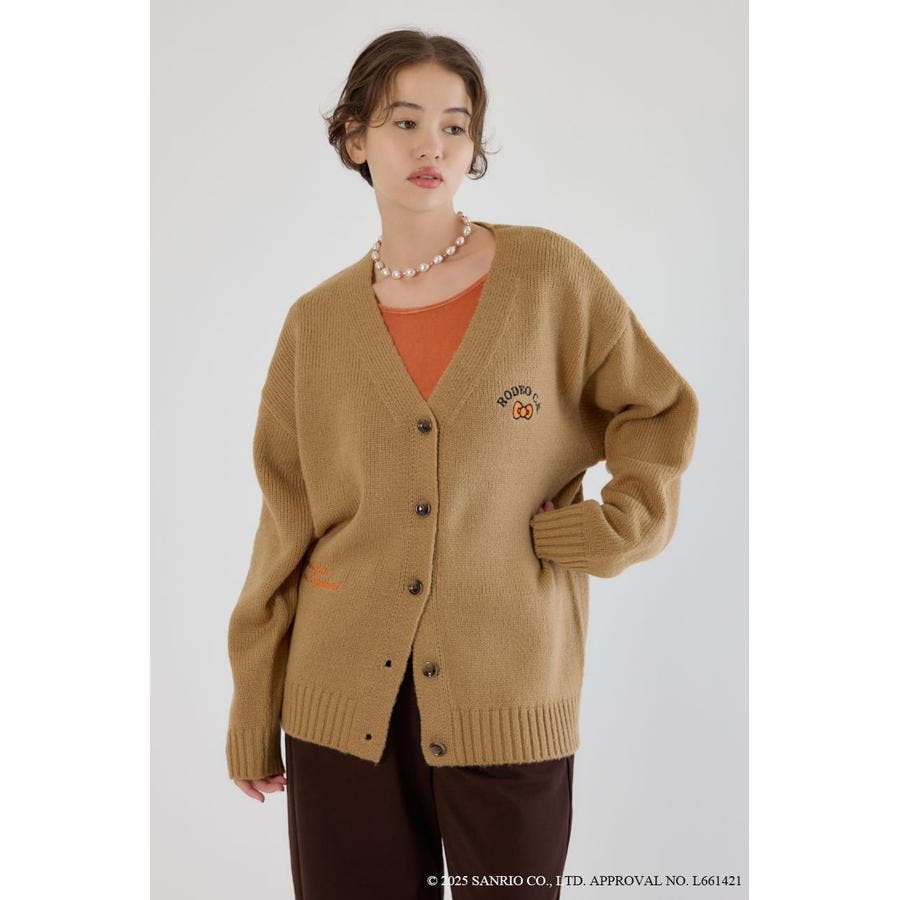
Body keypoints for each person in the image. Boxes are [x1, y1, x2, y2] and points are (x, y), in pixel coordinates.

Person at [225, 28, 699, 900]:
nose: (432, 147)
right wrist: (256, 702)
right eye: (404, 122)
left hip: (508, 692)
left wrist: (614, 527)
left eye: (455, 125)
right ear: (354, 139)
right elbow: (284, 523)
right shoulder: (315, 325)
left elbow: (657, 408)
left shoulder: (549, 278)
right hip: (337, 704)